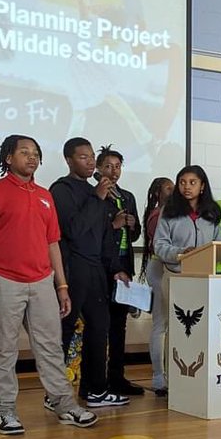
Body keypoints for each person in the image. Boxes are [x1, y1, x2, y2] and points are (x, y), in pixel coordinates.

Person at [0, 135, 98, 434]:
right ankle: (4, 411)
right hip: (2, 279)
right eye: (24, 152)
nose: (31, 157)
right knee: (3, 348)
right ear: (8, 158)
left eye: (36, 153)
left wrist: (62, 286)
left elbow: (52, 243)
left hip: (41, 281)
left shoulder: (44, 195)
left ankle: (64, 404)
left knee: (52, 347)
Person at [50, 137, 131, 408]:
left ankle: (95, 389)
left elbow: (105, 235)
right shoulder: (61, 190)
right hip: (73, 268)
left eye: (90, 157)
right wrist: (97, 198)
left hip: (97, 269)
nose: (90, 162)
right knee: (64, 329)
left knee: (99, 329)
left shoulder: (97, 191)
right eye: (82, 157)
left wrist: (116, 268)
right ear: (69, 160)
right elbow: (72, 230)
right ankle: (54, 393)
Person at [152, 166, 221, 397]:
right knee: (167, 327)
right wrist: (183, 252)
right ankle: (162, 378)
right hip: (173, 275)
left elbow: (218, 244)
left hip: (201, 279)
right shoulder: (168, 211)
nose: (186, 187)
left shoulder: (213, 212)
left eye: (192, 182)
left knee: (194, 330)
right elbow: (159, 245)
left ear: (202, 186)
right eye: (182, 182)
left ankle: (191, 376)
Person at [95, 145, 145, 396]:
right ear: (97, 168)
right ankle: (97, 381)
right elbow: (91, 231)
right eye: (108, 166)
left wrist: (133, 226)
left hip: (124, 265)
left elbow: (134, 235)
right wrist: (114, 224)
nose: (113, 171)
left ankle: (117, 377)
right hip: (102, 268)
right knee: (99, 326)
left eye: (118, 166)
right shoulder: (96, 195)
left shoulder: (127, 196)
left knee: (119, 326)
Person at [139, 177, 173, 394]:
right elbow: (161, 246)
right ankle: (159, 377)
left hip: (169, 269)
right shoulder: (157, 215)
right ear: (157, 194)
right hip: (160, 267)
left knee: (170, 325)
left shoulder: (171, 214)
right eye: (168, 188)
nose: (174, 191)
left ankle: (170, 374)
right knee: (160, 324)